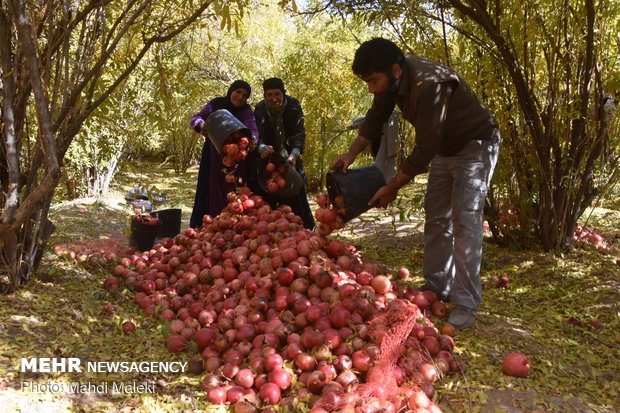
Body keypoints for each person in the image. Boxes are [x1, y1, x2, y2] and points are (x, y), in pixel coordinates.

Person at [331, 38, 501, 330]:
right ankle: (436, 287)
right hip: (445, 150)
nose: (371, 88)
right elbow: (374, 119)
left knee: (465, 221)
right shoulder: (391, 82)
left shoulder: (430, 84)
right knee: (436, 217)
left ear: (395, 70)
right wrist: (351, 154)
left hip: (476, 146)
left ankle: (466, 303)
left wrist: (393, 187)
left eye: (373, 81)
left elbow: (423, 150)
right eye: (367, 83)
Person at [189, 80, 258, 228]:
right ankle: (207, 227)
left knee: (232, 190)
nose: (240, 97)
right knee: (209, 189)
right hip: (213, 155)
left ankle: (232, 227)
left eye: (244, 95)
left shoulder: (246, 111)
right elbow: (196, 118)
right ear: (231, 91)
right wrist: (201, 125)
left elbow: (253, 130)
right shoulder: (216, 104)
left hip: (236, 159)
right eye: (238, 92)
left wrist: (252, 140)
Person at [254, 78, 315, 229]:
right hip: (269, 161)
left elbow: (299, 133)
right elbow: (256, 133)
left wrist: (294, 154)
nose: (274, 98)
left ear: (284, 93)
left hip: (290, 159)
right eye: (269, 95)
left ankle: (304, 231)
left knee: (296, 193)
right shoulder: (260, 109)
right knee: (270, 194)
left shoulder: (293, 106)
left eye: (277, 94)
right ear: (264, 95)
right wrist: (261, 147)